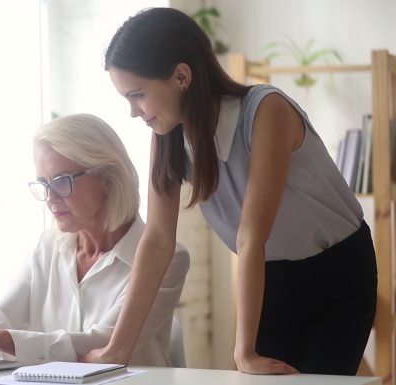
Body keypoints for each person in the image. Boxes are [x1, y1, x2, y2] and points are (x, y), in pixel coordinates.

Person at [82, 7, 377, 376]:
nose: (133, 111)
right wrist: (116, 349)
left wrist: (244, 353)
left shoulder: (267, 110)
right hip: (273, 276)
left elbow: (252, 236)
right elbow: (158, 241)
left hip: (338, 271)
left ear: (181, 76)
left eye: (138, 94)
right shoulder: (167, 136)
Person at [0, 113, 190, 367]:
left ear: (108, 178)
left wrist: (3, 339)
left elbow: (105, 342)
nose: (50, 197)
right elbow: (1, 317)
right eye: (43, 183)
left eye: (61, 181)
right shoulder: (47, 246)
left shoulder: (168, 259)